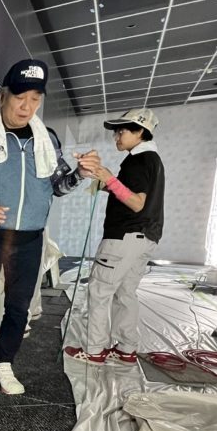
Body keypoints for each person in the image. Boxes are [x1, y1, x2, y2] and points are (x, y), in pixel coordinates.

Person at [0, 59, 96, 396]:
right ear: (3, 96)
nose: (27, 106)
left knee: (19, 307)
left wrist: (79, 175)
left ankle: (2, 364)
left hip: (30, 238)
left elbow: (58, 186)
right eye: (20, 97)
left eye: (35, 99)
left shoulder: (48, 140)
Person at [64, 108, 164, 365]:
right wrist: (103, 182)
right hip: (145, 238)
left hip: (124, 237)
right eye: (116, 132)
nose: (116, 137)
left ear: (140, 132)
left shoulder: (138, 160)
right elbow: (131, 194)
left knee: (99, 291)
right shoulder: (152, 159)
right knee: (125, 293)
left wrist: (108, 178)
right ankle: (126, 348)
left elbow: (137, 203)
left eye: (122, 131)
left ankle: (95, 350)